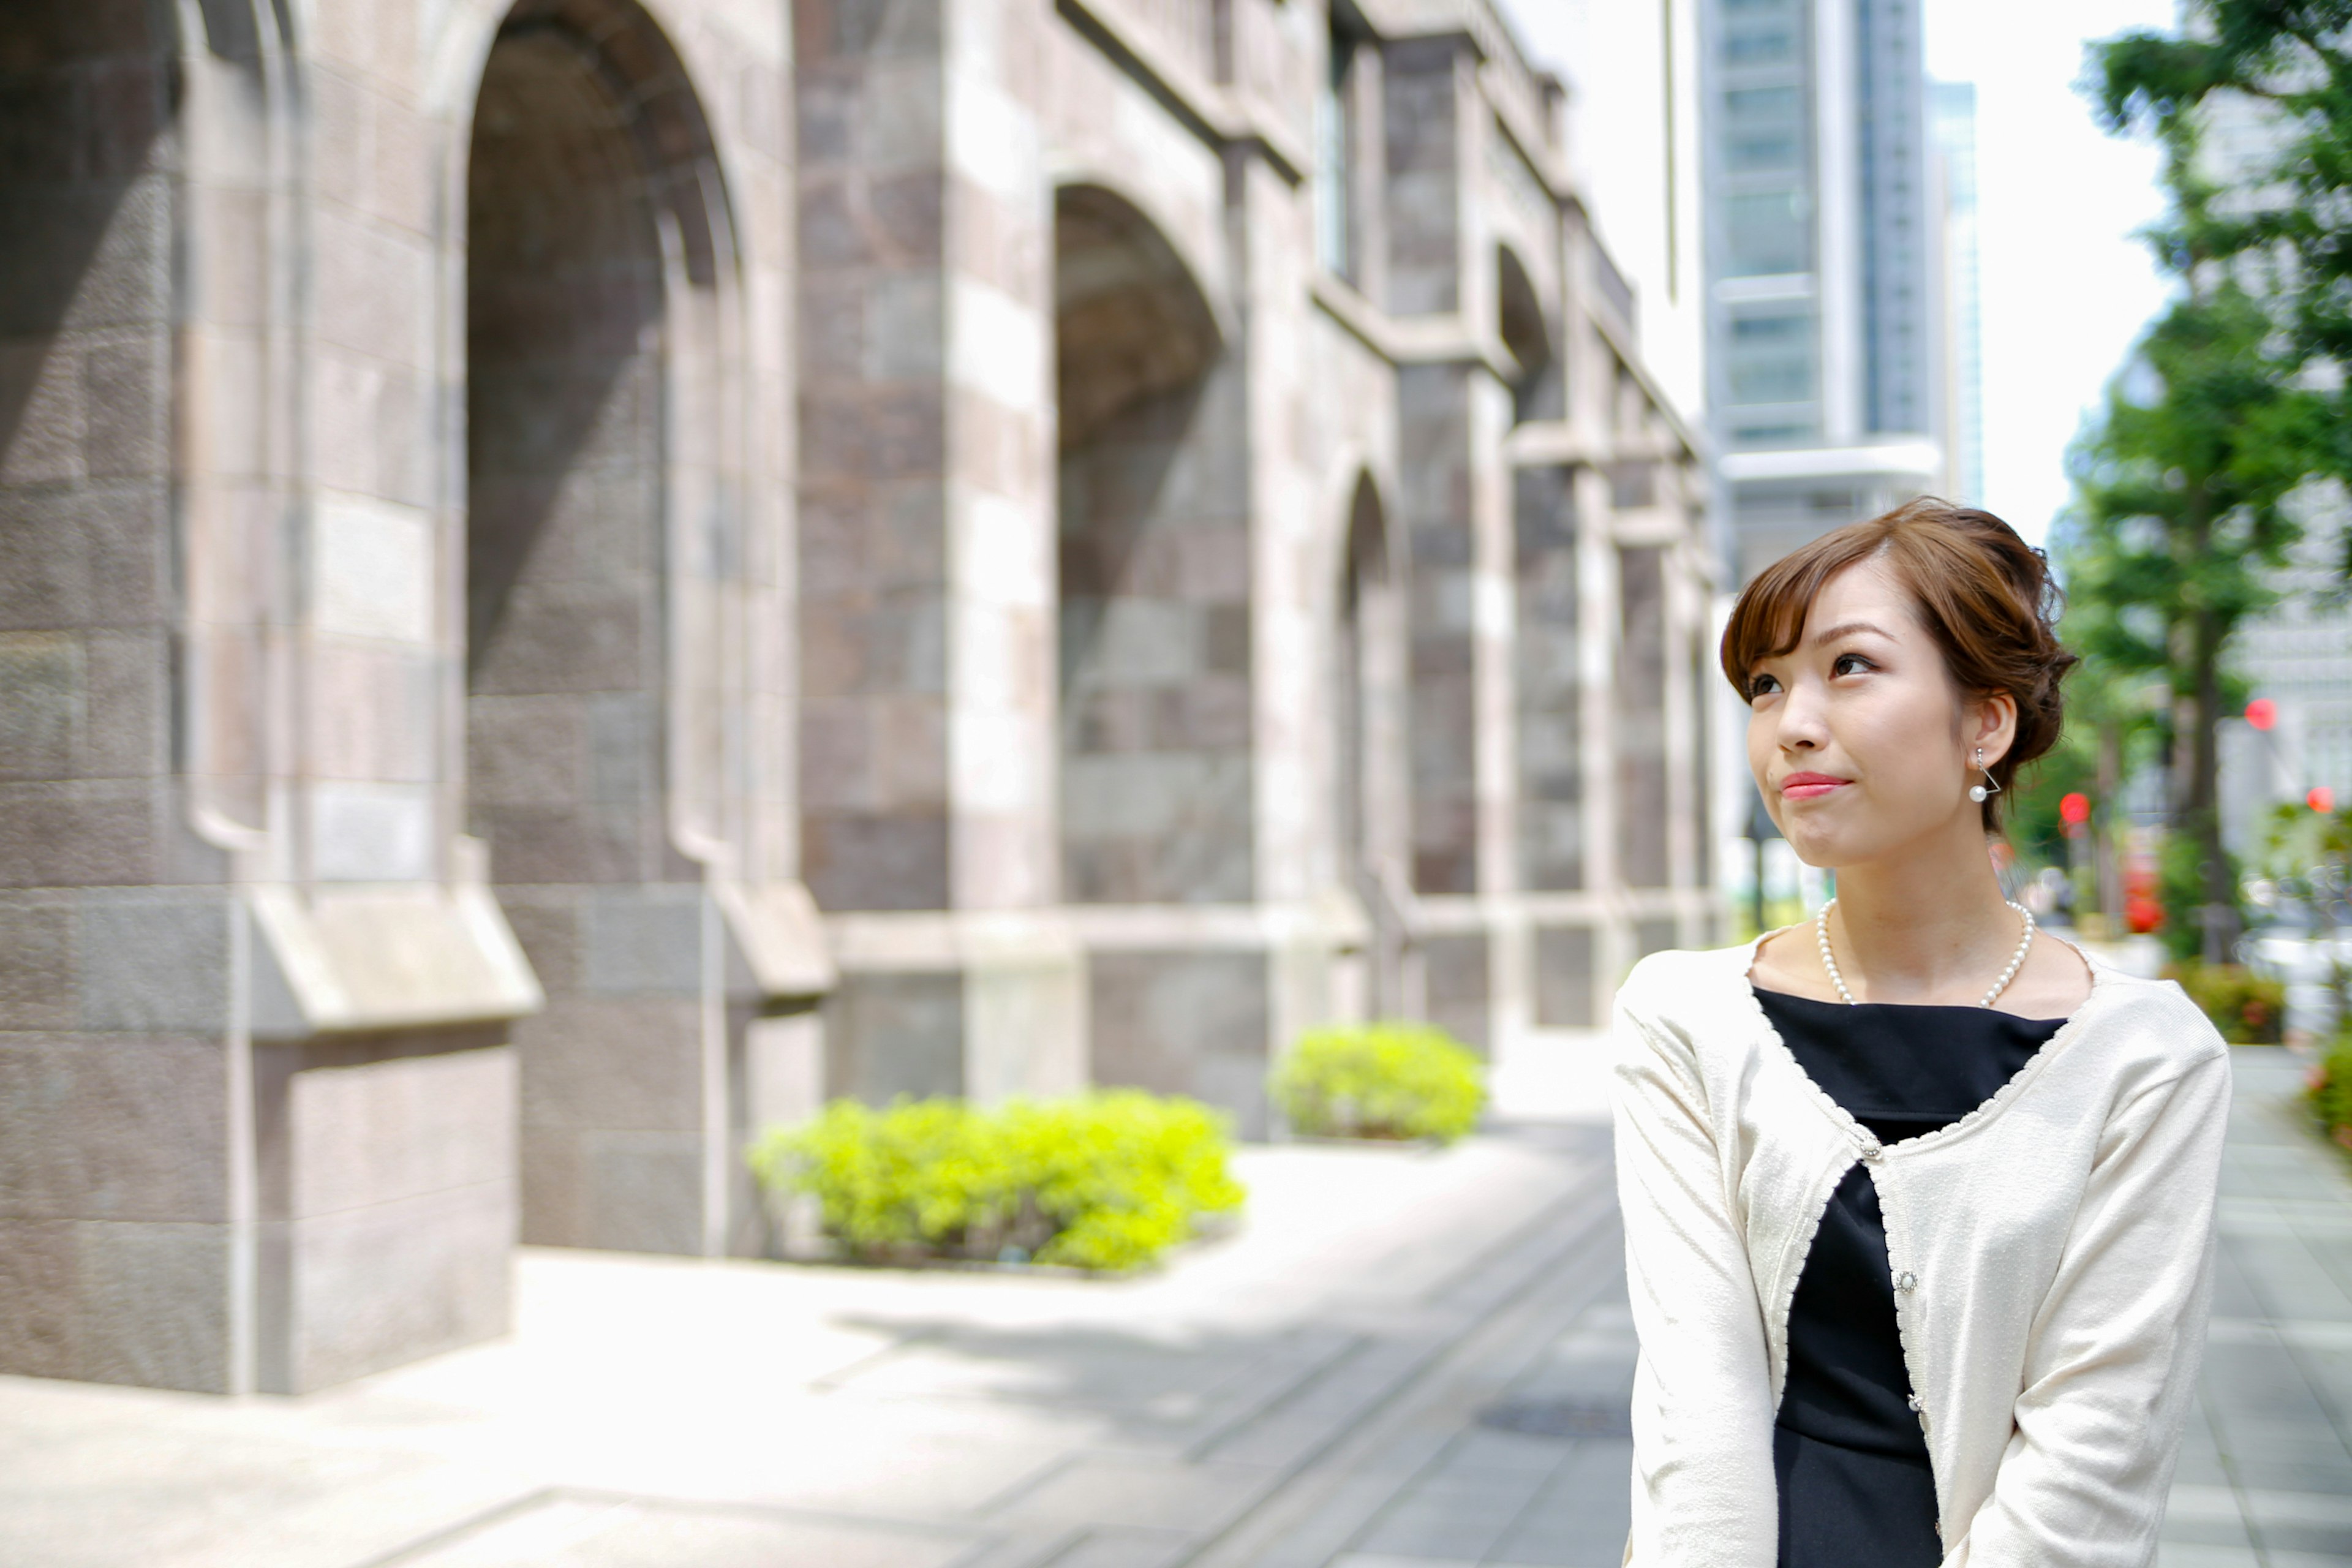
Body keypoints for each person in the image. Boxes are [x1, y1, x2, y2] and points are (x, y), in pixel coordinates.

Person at [1611, 500, 2230, 1567]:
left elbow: (2096, 1452)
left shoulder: (2147, 1060)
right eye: (1765, 684)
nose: (1791, 723)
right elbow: (1693, 1404)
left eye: (1850, 666)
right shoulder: (1686, 1019)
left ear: (1984, 723)